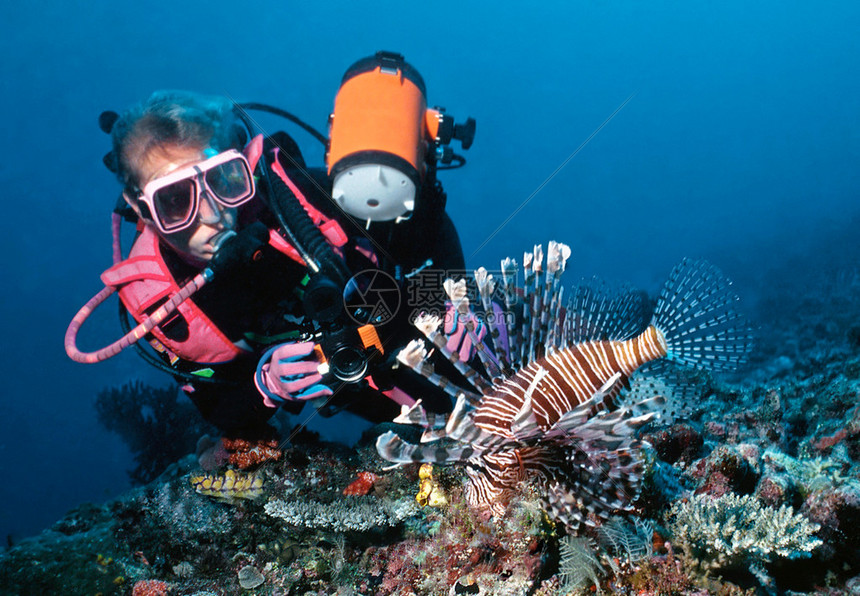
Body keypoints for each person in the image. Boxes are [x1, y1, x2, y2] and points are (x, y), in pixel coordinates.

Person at [74, 88, 469, 439]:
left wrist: (452, 302)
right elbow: (219, 410)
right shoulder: (160, 304)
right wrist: (266, 386)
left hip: (419, 322)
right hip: (360, 390)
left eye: (224, 180)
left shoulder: (292, 201)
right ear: (139, 206)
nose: (213, 214)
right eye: (176, 200)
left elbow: (424, 222)